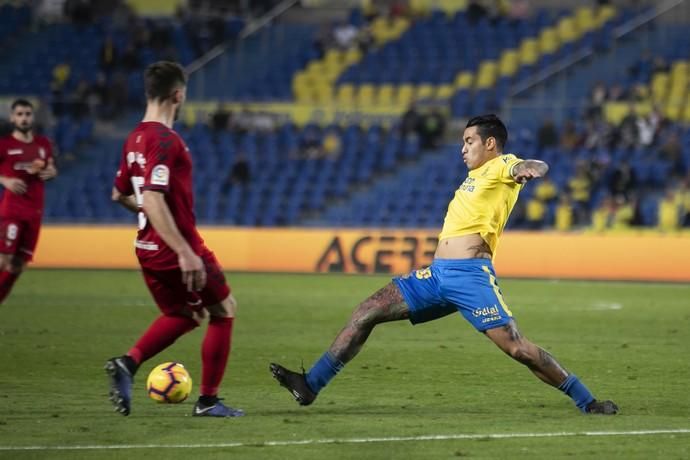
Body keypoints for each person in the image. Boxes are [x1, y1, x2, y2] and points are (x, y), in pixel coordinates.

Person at [270, 114, 618, 415]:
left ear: (491, 143)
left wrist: (529, 167)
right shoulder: (474, 177)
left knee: (518, 348)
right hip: (436, 276)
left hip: (470, 277)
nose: (463, 148)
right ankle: (311, 383)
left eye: (469, 141)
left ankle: (586, 400)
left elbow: (532, 166)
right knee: (367, 311)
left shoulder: (501, 166)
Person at [106, 61, 243, 418]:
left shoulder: (135, 136)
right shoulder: (165, 140)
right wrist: (184, 251)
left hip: (147, 247)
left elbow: (119, 195)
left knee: (185, 313)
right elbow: (151, 198)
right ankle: (209, 401)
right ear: (178, 94)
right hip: (176, 247)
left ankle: (128, 363)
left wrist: (152, 221)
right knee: (224, 310)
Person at [0, 99, 58, 304]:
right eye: (20, 114)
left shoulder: (43, 144)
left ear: (33, 117)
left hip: (34, 212)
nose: (24, 118)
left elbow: (50, 167)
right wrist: (4, 180)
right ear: (12, 117)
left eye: (27, 114)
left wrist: (51, 172)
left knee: (18, 265)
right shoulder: (4, 144)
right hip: (12, 210)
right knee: (3, 260)